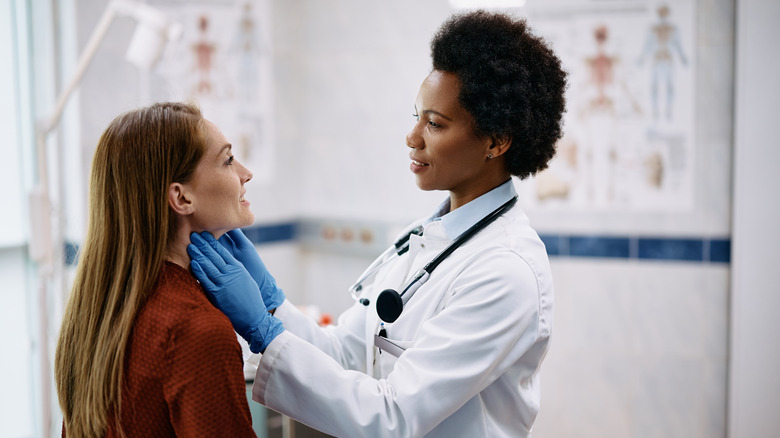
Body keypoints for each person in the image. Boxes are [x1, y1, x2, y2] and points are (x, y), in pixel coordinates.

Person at [189, 10, 566, 437]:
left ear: (496, 142)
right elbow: (346, 355)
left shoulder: (506, 271)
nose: (412, 136)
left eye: (435, 124)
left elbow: (392, 417)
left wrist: (264, 332)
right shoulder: (428, 240)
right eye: (417, 116)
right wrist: (271, 302)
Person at [54, 102, 257, 437]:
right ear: (181, 198)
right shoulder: (197, 330)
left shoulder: (98, 314)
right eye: (228, 160)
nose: (245, 174)